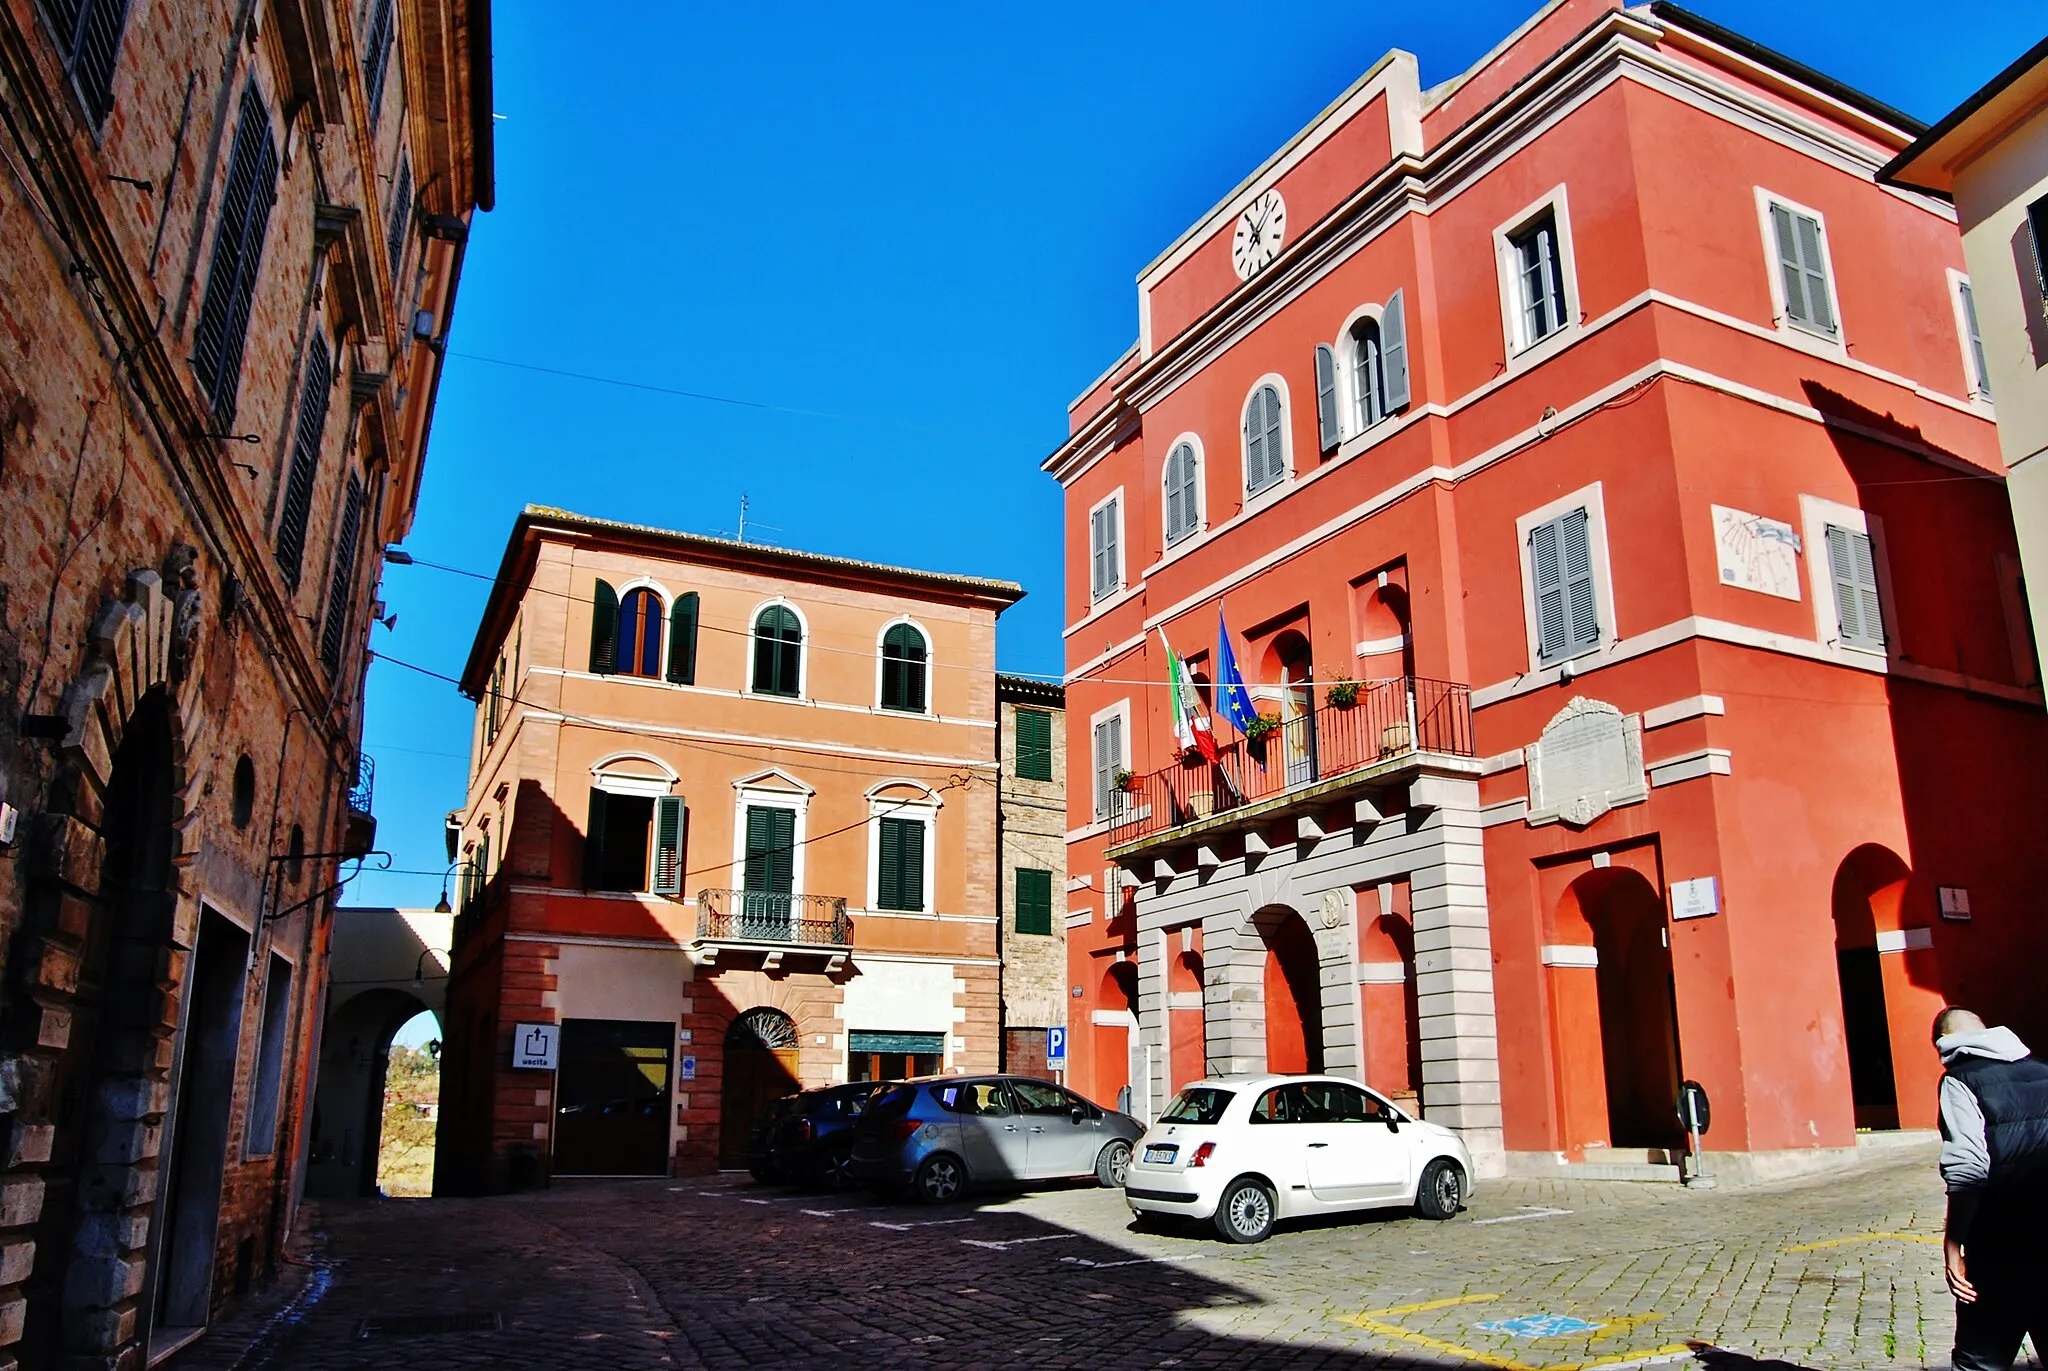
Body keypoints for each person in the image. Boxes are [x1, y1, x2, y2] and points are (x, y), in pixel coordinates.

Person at [1933, 1006, 2048, 1370]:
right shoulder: (2044, 1072)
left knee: (1980, 1361)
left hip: (2001, 1245)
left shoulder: (1959, 1081)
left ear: (1944, 1043)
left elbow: (1967, 1168)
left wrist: (1953, 1245)